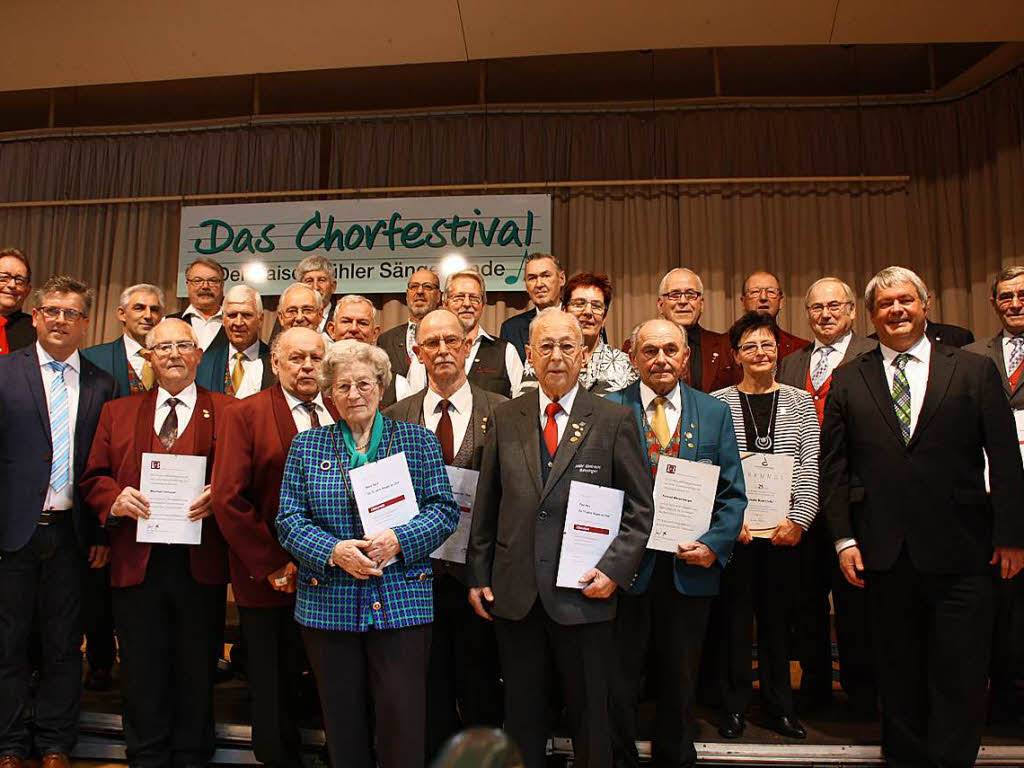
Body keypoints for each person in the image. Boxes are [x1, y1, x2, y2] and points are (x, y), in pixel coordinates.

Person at [821, 266, 1024, 767]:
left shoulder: (974, 370)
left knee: (959, 675)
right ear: (871, 315)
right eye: (886, 303)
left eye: (906, 300)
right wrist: (844, 540)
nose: (897, 310)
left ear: (925, 305)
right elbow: (834, 469)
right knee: (900, 676)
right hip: (883, 556)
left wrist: (1012, 536)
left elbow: (1003, 457)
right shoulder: (850, 377)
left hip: (963, 552)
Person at [466, 308, 654, 768]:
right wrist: (477, 573)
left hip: (584, 594)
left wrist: (614, 571)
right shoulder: (505, 417)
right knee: (522, 718)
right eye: (545, 346)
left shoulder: (614, 420)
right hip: (517, 595)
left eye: (567, 346)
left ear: (584, 355)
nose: (556, 356)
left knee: (592, 717)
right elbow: (486, 505)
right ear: (529, 354)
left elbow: (640, 508)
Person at [276, 339, 459, 768]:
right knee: (342, 724)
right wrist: (333, 550)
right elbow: (287, 519)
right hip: (328, 607)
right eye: (342, 387)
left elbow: (444, 510)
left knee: (402, 723)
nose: (354, 394)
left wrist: (399, 538)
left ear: (380, 387)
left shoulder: (416, 441)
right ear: (330, 394)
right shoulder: (307, 447)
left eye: (363, 384)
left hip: (402, 605)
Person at [80, 318, 233, 768]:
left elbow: (243, 481)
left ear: (198, 355)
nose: (172, 354)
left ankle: (190, 756)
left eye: (182, 345)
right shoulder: (118, 412)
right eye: (161, 347)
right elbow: (92, 477)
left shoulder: (227, 410)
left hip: (198, 564)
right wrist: (115, 498)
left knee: (195, 668)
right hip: (136, 562)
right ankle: (145, 754)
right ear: (148, 356)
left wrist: (218, 495)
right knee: (142, 670)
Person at [606, 319, 746, 768]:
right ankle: (619, 758)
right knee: (619, 678)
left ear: (686, 357)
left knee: (679, 680)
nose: (660, 359)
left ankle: (675, 757)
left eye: (670, 350)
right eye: (649, 350)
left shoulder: (713, 412)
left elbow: (733, 493)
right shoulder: (608, 409)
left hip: (689, 570)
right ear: (633, 358)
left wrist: (714, 545)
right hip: (625, 573)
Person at [0, 276, 117, 768]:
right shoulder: (4, 372)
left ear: (85, 322)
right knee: (6, 645)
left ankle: (54, 742)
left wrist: (103, 533)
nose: (60, 320)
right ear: (38, 315)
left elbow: (107, 465)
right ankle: (8, 744)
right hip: (10, 533)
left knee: (65, 645)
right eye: (51, 310)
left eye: (71, 313)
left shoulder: (101, 383)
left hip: (73, 535)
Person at [384, 309, 506, 757]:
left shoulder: (505, 412)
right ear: (417, 352)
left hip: (480, 579)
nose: (442, 351)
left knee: (481, 691)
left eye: (451, 341)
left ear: (468, 346)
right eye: (431, 343)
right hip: (415, 577)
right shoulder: (394, 416)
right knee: (427, 691)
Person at [213, 327, 337, 768]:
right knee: (272, 682)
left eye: (316, 358)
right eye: (297, 358)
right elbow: (228, 499)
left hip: (333, 577)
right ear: (275, 363)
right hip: (270, 578)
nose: (307, 366)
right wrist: (273, 564)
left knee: (331, 681)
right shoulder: (244, 415)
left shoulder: (342, 411)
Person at [711, 311, 818, 740]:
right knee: (734, 624)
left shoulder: (799, 401)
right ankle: (733, 707)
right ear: (736, 354)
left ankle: (780, 707)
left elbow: (811, 465)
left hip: (783, 535)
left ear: (778, 351)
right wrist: (726, 522)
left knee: (777, 623)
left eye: (767, 345)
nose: (760, 352)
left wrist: (799, 519)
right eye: (750, 346)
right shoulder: (718, 403)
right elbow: (712, 467)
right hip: (736, 536)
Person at [777, 277, 877, 715]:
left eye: (835, 306)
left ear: (853, 311)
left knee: (855, 601)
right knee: (805, 599)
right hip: (798, 497)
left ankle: (861, 692)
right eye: (816, 307)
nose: (825, 314)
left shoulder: (871, 358)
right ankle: (815, 687)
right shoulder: (790, 362)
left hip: (853, 496)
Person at [965, 265, 1024, 724]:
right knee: (998, 602)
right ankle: (1001, 693)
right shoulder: (973, 356)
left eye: (1022, 294)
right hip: (985, 494)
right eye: (1006, 296)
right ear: (994, 303)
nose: (1015, 303)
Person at [408, 270, 524, 399]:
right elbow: (414, 405)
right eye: (459, 298)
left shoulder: (506, 351)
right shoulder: (427, 349)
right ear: (445, 303)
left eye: (474, 298)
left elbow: (520, 407)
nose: (467, 304)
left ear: (483, 305)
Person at [524, 273, 636, 395]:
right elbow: (525, 406)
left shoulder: (624, 364)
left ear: (604, 318)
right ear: (564, 311)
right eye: (579, 304)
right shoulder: (542, 356)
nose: (588, 312)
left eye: (597, 306)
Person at [653, 268, 738, 393]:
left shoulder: (726, 346)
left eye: (691, 294)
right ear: (661, 305)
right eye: (675, 295)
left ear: (701, 304)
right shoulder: (640, 347)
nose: (683, 301)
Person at [82, 283, 165, 396]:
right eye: (139, 308)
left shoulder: (174, 357)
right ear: (122, 314)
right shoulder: (93, 358)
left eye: (154, 309)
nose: (148, 316)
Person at [196, 284, 273, 396]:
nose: (238, 323)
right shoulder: (204, 363)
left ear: (260, 319)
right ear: (223, 319)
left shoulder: (274, 362)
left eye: (246, 315)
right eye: (232, 315)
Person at [377, 267, 442, 384]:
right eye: (414, 287)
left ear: (438, 296)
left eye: (427, 286)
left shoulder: (448, 338)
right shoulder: (386, 340)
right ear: (407, 295)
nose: (420, 291)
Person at [500, 253, 567, 361]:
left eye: (546, 276)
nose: (539, 284)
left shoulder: (583, 322)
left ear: (562, 279)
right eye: (532, 278)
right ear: (526, 286)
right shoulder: (511, 329)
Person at [738, 271, 809, 360]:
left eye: (771, 292)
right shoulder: (722, 347)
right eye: (755, 292)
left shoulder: (801, 350)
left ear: (781, 302)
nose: (763, 297)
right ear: (743, 302)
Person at [167, 257, 227, 351]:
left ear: (222, 285)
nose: (205, 286)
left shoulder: (234, 323)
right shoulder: (168, 322)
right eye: (198, 281)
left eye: (213, 281)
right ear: (187, 285)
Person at [0, 247, 35, 354]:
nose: (12, 285)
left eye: (19, 280)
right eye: (4, 278)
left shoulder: (38, 332)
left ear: (27, 290)